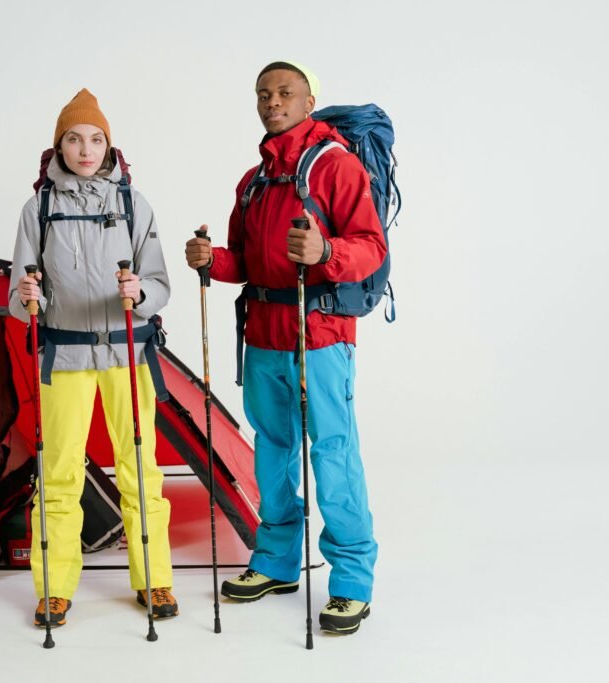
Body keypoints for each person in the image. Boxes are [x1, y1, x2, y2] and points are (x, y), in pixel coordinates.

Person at [184, 62, 386, 635]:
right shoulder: (253, 181)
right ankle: (275, 562)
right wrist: (213, 261)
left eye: (285, 93)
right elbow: (246, 260)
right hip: (265, 335)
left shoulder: (336, 166)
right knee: (272, 450)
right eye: (264, 94)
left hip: (320, 334)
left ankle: (350, 580)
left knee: (332, 451)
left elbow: (371, 247)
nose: (273, 101)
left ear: (309, 100)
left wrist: (325, 251)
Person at [9, 88, 176, 628]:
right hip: (65, 356)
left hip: (129, 353)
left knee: (140, 467)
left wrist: (140, 293)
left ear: (110, 145)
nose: (86, 148)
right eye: (75, 139)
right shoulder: (39, 208)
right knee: (57, 473)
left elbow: (160, 284)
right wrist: (27, 298)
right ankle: (55, 587)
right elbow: (17, 297)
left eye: (96, 139)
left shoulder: (133, 204)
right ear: (59, 146)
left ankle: (155, 579)